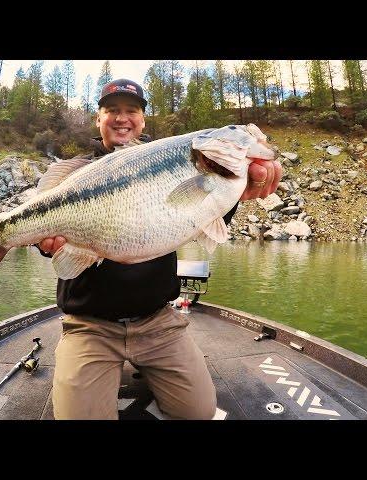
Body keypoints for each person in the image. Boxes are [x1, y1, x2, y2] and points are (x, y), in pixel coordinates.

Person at [36, 78, 282, 420]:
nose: (122, 118)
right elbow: (53, 249)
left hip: (158, 321)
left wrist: (242, 187)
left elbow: (202, 212)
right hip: (89, 325)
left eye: (131, 111)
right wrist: (46, 243)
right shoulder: (79, 172)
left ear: (143, 120)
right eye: (112, 111)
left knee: (199, 412)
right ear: (98, 119)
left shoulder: (174, 158)